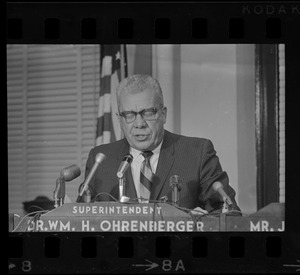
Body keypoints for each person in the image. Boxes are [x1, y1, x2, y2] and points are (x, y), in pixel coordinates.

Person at [80, 74, 240, 214]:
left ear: (163, 114)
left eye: (148, 113)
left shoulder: (197, 153)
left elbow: (229, 213)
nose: (139, 124)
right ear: (119, 119)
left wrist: (196, 224)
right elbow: (81, 218)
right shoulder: (100, 160)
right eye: (129, 114)